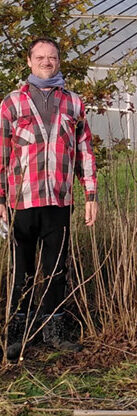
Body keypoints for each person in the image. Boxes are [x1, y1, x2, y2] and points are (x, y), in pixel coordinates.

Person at [0, 37, 97, 360]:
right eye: (40, 57)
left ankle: (54, 328)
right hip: (21, 201)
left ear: (59, 61)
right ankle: (18, 330)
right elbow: (0, 154)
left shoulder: (74, 103)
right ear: (29, 62)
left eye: (51, 57)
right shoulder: (11, 104)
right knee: (21, 269)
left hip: (59, 200)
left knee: (56, 268)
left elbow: (85, 151)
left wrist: (90, 193)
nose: (46, 62)